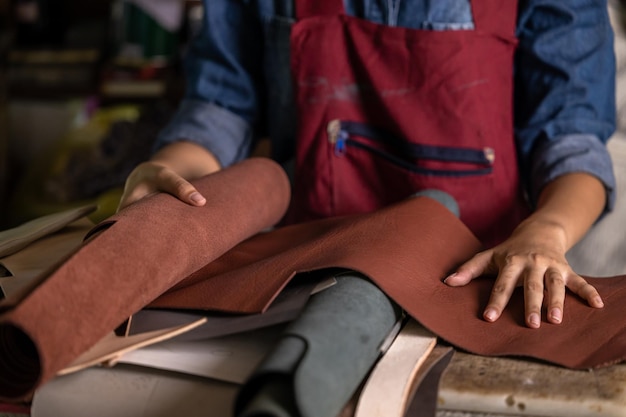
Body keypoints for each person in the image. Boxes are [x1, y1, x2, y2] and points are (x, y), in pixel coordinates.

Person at [119, 0, 617, 329]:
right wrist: (169, 171)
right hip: (307, 273)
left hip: (484, 286)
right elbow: (223, 103)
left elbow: (570, 136)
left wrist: (547, 231)